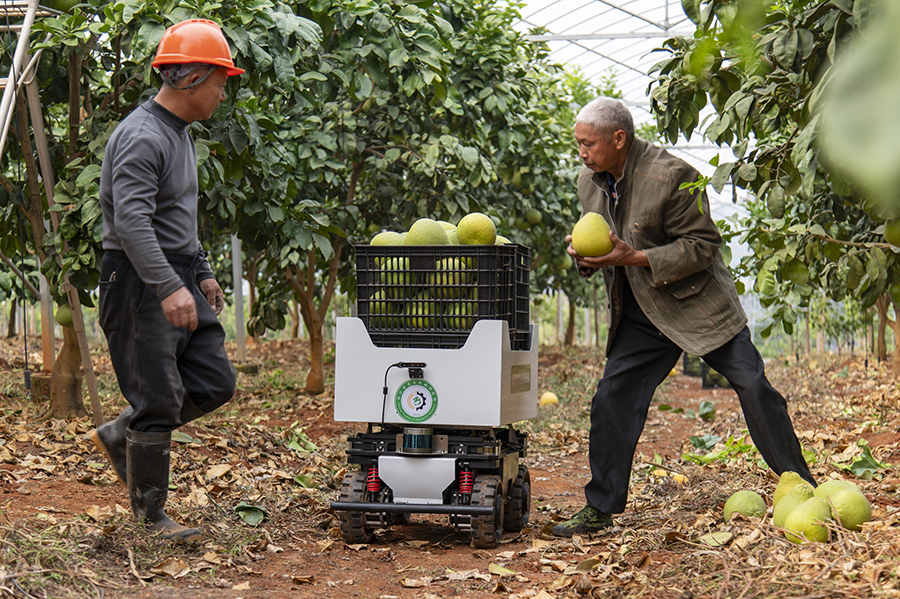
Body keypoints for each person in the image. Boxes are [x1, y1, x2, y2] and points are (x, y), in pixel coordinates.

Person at [552, 97, 815, 537]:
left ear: (619, 138)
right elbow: (599, 241)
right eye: (579, 144)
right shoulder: (589, 181)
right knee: (611, 399)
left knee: (753, 385)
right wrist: (585, 258)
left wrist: (634, 256)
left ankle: (803, 486)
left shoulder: (671, 176)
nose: (582, 153)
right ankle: (599, 508)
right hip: (641, 310)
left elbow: (701, 246)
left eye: (588, 144)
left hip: (697, 306)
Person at [89, 19, 242, 542]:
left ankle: (123, 433)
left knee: (215, 380)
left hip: (171, 271)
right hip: (139, 280)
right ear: (193, 77)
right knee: (157, 396)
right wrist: (166, 284)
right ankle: (150, 518)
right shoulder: (140, 135)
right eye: (221, 80)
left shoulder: (180, 137)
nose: (224, 92)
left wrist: (198, 272)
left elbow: (174, 217)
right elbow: (131, 222)